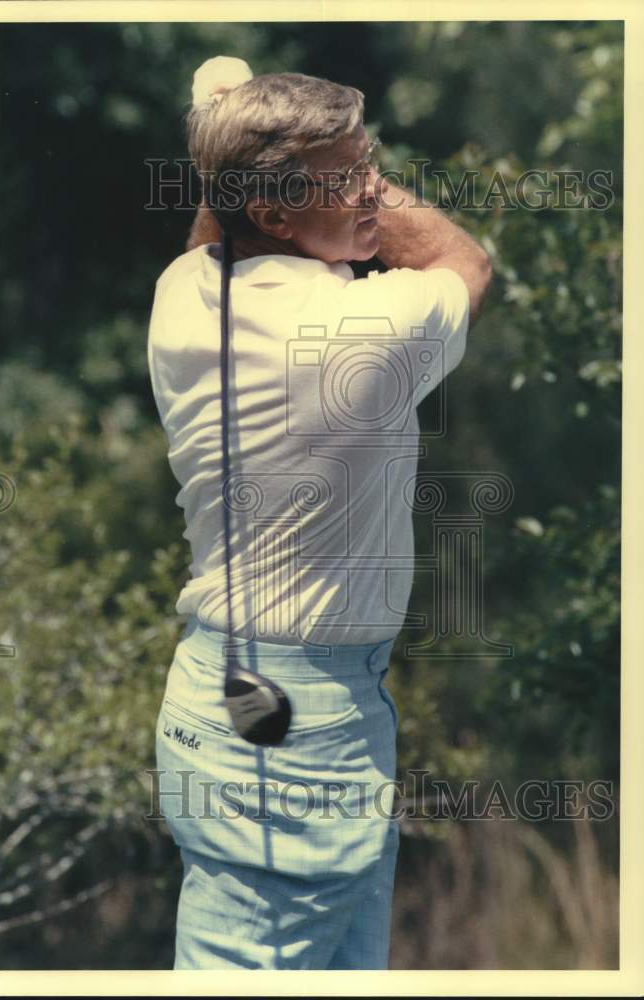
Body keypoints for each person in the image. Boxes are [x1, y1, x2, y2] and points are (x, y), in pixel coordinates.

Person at [147, 56, 492, 970]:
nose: (374, 186)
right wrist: (243, 129)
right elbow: (461, 258)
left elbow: (209, 236)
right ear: (274, 214)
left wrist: (228, 137)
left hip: (231, 690)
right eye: (353, 177)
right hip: (300, 719)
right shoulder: (363, 334)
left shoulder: (181, 297)